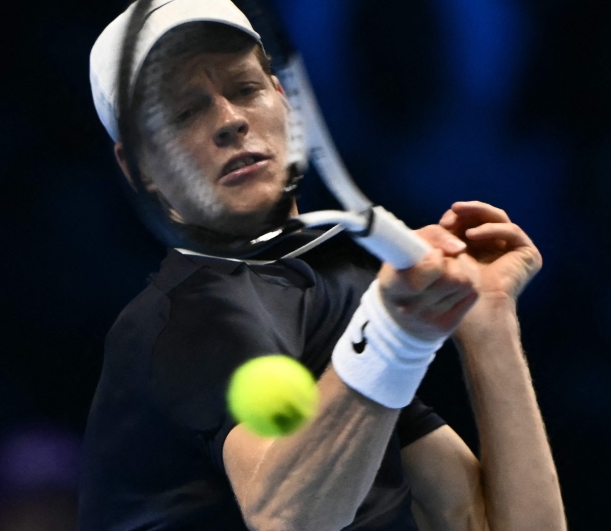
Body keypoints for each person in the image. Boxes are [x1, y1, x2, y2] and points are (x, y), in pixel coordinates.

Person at [79, 1, 566, 530]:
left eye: (245, 89)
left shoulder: (333, 292)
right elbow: (288, 518)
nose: (230, 120)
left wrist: (487, 320)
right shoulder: (180, 322)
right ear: (139, 167)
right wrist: (393, 334)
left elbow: (489, 525)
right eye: (182, 112)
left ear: (284, 101)